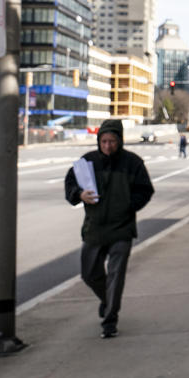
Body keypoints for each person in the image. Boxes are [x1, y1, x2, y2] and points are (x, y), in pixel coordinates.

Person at [64, 119, 154, 339]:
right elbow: (70, 183)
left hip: (122, 229)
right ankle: (107, 300)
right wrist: (79, 195)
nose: (107, 146)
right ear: (98, 141)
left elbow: (145, 190)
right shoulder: (87, 162)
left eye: (112, 141)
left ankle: (110, 320)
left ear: (119, 141)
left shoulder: (133, 163)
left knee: (116, 275)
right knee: (89, 273)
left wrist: (128, 206)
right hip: (94, 227)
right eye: (103, 141)